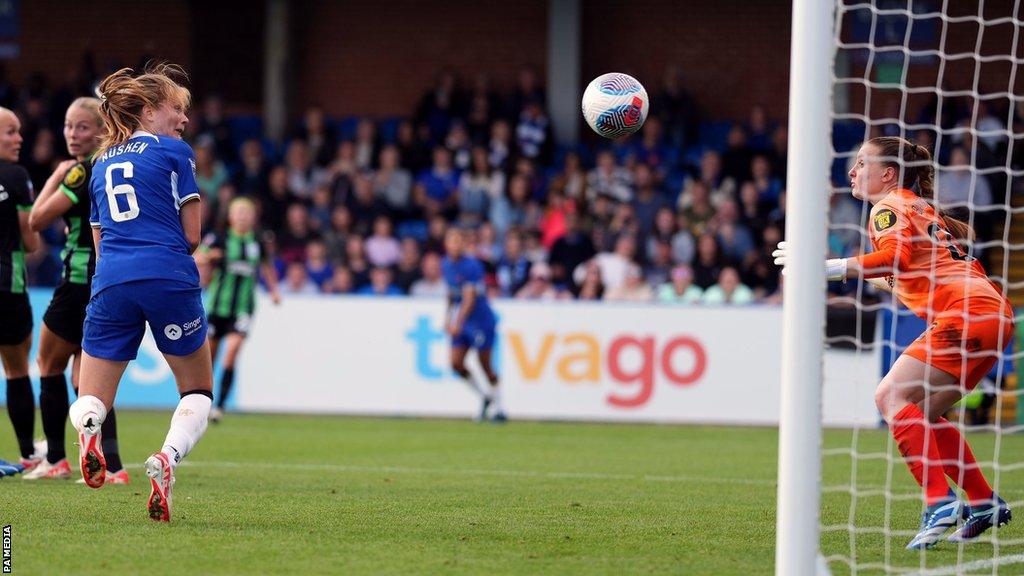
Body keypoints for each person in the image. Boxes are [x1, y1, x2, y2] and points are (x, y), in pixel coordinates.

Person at [774, 136, 1013, 548]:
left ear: (887, 173)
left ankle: (939, 501)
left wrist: (825, 266)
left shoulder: (889, 207)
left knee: (890, 396)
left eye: (862, 163)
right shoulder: (917, 208)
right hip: (994, 315)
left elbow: (894, 259)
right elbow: (902, 274)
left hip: (966, 311)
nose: (852, 172)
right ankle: (983, 502)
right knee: (926, 414)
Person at [67, 63, 212, 522]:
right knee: (198, 390)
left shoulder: (99, 163)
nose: (184, 119)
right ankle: (166, 458)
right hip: (168, 274)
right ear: (149, 111)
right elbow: (192, 236)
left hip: (111, 280)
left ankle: (89, 428)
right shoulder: (174, 152)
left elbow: (99, 242)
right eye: (177, 108)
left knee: (91, 397)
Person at [24, 98, 128, 482]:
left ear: (102, 130)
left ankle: (55, 459)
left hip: (76, 284)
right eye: (68, 126)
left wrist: (57, 174)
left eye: (82, 126)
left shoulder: (81, 172)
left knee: (48, 365)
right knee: (90, 382)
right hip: (107, 283)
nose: (72, 133)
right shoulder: (116, 166)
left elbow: (36, 220)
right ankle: (114, 467)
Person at [197, 197, 281, 423]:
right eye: (239, 212)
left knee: (231, 354)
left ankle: (220, 407)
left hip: (243, 309)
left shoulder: (258, 241)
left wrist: (274, 290)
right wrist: (210, 256)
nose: (243, 216)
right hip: (217, 306)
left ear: (253, 217)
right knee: (210, 358)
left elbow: (266, 266)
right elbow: (197, 257)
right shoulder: (220, 238)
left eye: (247, 212)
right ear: (231, 216)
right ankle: (202, 404)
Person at [0, 106, 40, 475]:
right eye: (10, 132)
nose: (19, 138)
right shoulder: (15, 175)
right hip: (6, 285)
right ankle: (28, 453)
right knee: (15, 368)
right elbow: (29, 242)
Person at [442, 227, 506, 422]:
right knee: (455, 363)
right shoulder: (445, 265)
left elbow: (469, 298)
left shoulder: (472, 266)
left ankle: (499, 407)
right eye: (452, 240)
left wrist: (457, 323)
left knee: (485, 365)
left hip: (480, 321)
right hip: (463, 322)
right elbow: (452, 295)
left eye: (459, 241)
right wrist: (446, 319)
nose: (455, 245)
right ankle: (485, 397)